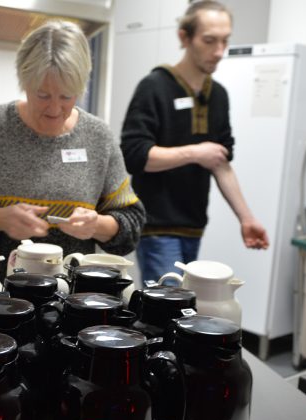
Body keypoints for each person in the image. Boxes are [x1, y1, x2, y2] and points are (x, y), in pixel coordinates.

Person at [0, 20, 146, 278]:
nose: (55, 109)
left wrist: (97, 225)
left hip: (73, 297)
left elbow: (131, 223)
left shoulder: (98, 136)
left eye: (67, 96)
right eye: (43, 95)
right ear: (24, 81)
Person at [120, 0, 269, 284]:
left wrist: (246, 219)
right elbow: (136, 156)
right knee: (168, 306)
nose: (219, 51)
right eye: (209, 40)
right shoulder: (154, 86)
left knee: (182, 308)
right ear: (184, 37)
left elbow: (220, 162)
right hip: (156, 225)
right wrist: (195, 152)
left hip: (193, 225)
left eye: (225, 41)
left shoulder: (219, 95)